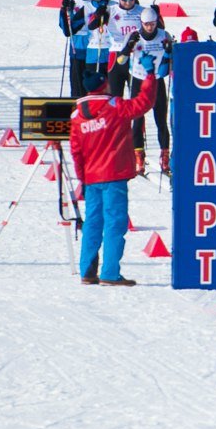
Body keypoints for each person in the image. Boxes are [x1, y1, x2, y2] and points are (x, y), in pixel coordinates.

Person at [72, 61, 162, 280]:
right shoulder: (115, 106)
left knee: (92, 223)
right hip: (114, 176)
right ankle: (110, 274)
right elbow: (143, 103)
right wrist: (149, 76)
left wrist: (83, 180)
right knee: (114, 223)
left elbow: (76, 152)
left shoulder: (77, 116)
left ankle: (87, 271)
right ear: (103, 87)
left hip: (92, 179)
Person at [117, 7, 174, 176]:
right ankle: (138, 157)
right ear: (141, 23)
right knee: (137, 121)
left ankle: (164, 156)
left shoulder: (164, 35)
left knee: (161, 121)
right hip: (138, 80)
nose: (150, 28)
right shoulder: (134, 35)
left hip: (156, 80)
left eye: (153, 24)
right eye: (146, 24)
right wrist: (128, 47)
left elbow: (173, 59)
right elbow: (121, 61)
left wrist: (170, 51)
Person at [59, 0, 96, 96]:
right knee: (77, 84)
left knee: (93, 84)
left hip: (95, 45)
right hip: (77, 47)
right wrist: (64, 9)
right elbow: (65, 28)